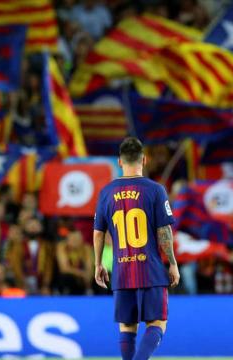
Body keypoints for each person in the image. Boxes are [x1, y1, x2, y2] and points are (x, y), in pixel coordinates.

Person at [93, 137, 179, 360]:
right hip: (150, 269)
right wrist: (173, 263)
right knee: (157, 323)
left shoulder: (106, 193)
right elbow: (164, 232)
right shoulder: (156, 190)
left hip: (122, 270)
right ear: (145, 159)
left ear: (119, 162)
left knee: (127, 328)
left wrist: (98, 264)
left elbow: (98, 233)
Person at [56, 229, 93, 295]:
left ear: (81, 239)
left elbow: (89, 268)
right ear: (67, 240)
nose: (75, 241)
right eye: (72, 239)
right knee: (66, 277)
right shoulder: (62, 247)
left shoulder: (86, 248)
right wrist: (81, 273)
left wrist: (88, 279)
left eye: (77, 239)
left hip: (82, 280)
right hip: (70, 277)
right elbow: (64, 268)